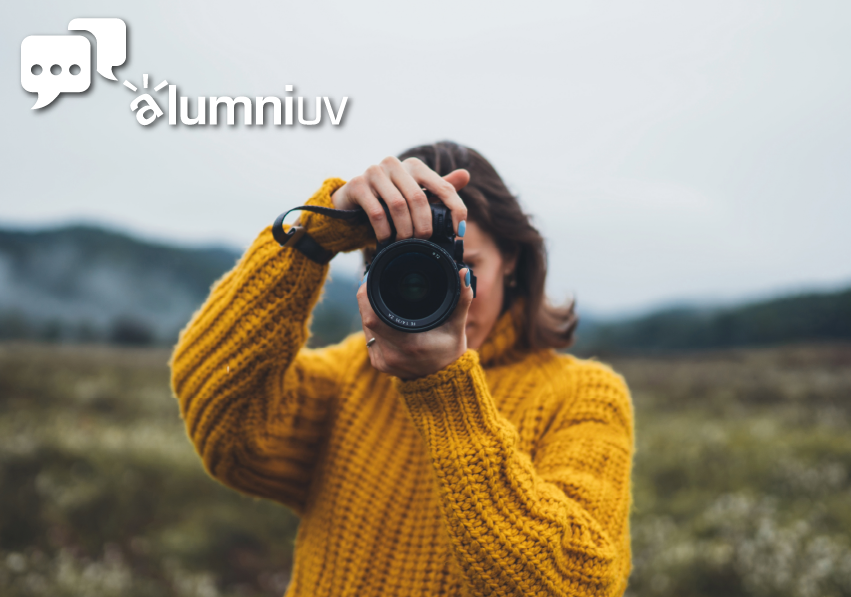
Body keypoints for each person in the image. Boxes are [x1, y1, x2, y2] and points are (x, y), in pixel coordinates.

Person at [169, 141, 635, 596]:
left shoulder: (583, 396)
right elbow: (226, 429)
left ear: (511, 260)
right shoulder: (348, 375)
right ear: (377, 269)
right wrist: (314, 235)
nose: (453, 292)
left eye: (465, 266)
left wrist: (446, 391)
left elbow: (580, 583)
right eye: (419, 271)